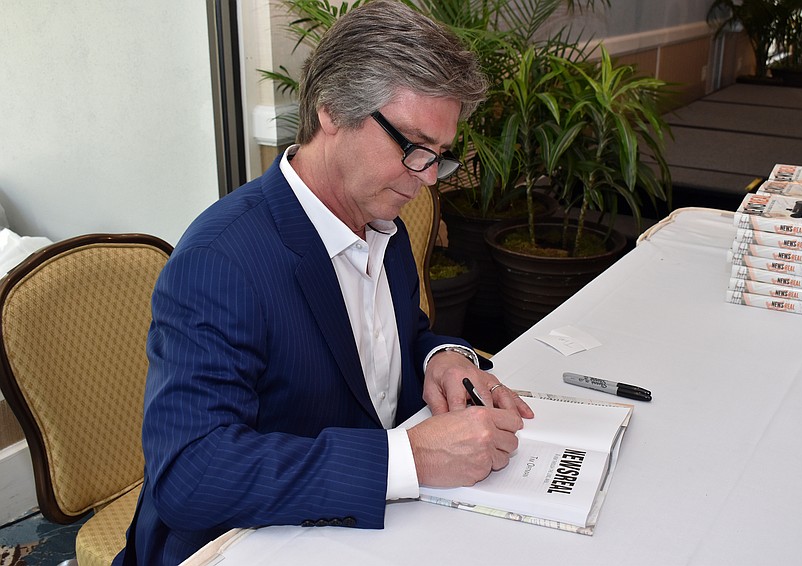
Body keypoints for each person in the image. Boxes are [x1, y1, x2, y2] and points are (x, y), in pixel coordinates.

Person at [116, 1, 533, 563]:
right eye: (413, 147)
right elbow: (191, 474)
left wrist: (445, 357)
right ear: (332, 110)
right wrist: (407, 458)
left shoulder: (381, 213)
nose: (428, 178)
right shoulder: (220, 261)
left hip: (367, 531)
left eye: (439, 156)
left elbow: (396, 336)